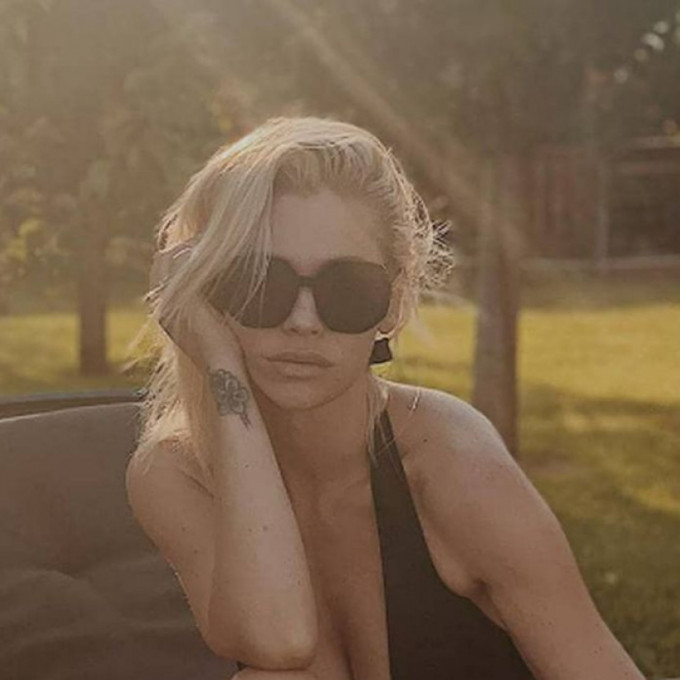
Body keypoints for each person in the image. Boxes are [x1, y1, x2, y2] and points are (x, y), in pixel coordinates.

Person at [125, 116, 646, 680]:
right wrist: (221, 365)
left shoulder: (453, 462)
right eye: (260, 282)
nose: (303, 321)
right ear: (204, 292)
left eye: (347, 289)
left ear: (392, 305)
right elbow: (278, 643)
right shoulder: (177, 473)